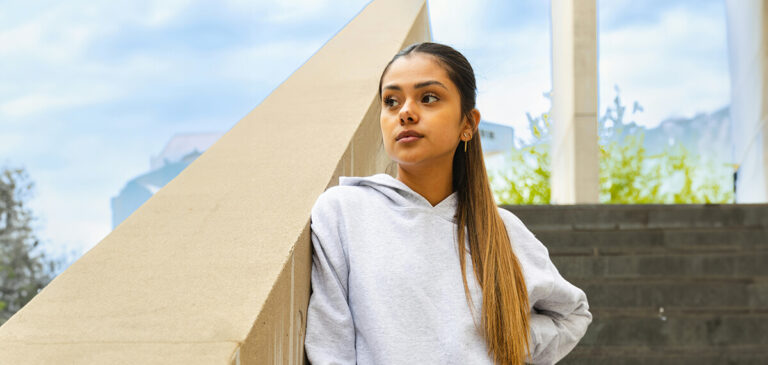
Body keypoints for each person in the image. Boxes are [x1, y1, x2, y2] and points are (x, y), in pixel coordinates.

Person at [303, 42, 592, 365]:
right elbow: (331, 347)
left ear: (468, 124)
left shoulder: (503, 231)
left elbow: (572, 314)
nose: (406, 113)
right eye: (391, 101)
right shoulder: (342, 211)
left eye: (428, 98)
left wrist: (501, 344)